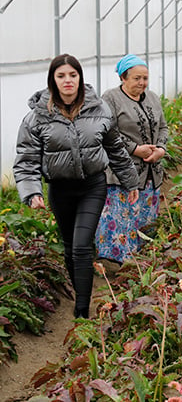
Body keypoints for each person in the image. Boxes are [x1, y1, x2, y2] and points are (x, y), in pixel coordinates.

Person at [14, 54, 139, 318]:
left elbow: (115, 148)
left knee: (83, 245)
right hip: (60, 189)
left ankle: (82, 308)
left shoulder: (99, 108)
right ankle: (80, 289)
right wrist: (32, 191)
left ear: (80, 78)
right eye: (61, 76)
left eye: (73, 75)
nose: (68, 80)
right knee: (70, 247)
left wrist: (130, 181)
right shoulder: (37, 117)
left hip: (93, 185)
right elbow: (26, 158)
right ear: (53, 80)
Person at [95, 54, 168, 264]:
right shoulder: (110, 98)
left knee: (145, 220)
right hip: (121, 173)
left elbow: (163, 126)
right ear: (123, 77)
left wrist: (160, 149)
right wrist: (135, 149)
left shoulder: (152, 97)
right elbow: (107, 130)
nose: (142, 83)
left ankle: (142, 261)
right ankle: (114, 263)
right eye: (137, 78)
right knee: (120, 218)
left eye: (145, 78)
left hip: (150, 172)